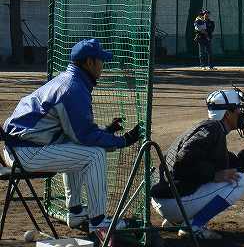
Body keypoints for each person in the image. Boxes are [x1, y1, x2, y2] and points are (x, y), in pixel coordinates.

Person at [2, 38, 142, 239]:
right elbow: (85, 136)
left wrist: (106, 131)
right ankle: (98, 222)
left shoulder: (68, 80)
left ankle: (76, 213)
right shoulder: (73, 88)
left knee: (78, 148)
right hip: (25, 152)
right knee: (94, 155)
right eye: (100, 60)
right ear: (89, 62)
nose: (103, 65)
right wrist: (124, 140)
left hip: (21, 148)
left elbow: (76, 133)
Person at [150, 88, 244, 240]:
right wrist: (213, 175)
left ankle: (176, 221)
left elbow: (227, 164)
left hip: (164, 200)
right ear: (227, 113)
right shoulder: (212, 131)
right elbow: (182, 161)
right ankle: (193, 226)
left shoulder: (209, 128)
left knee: (227, 175)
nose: (241, 112)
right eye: (238, 108)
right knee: (240, 181)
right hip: (173, 202)